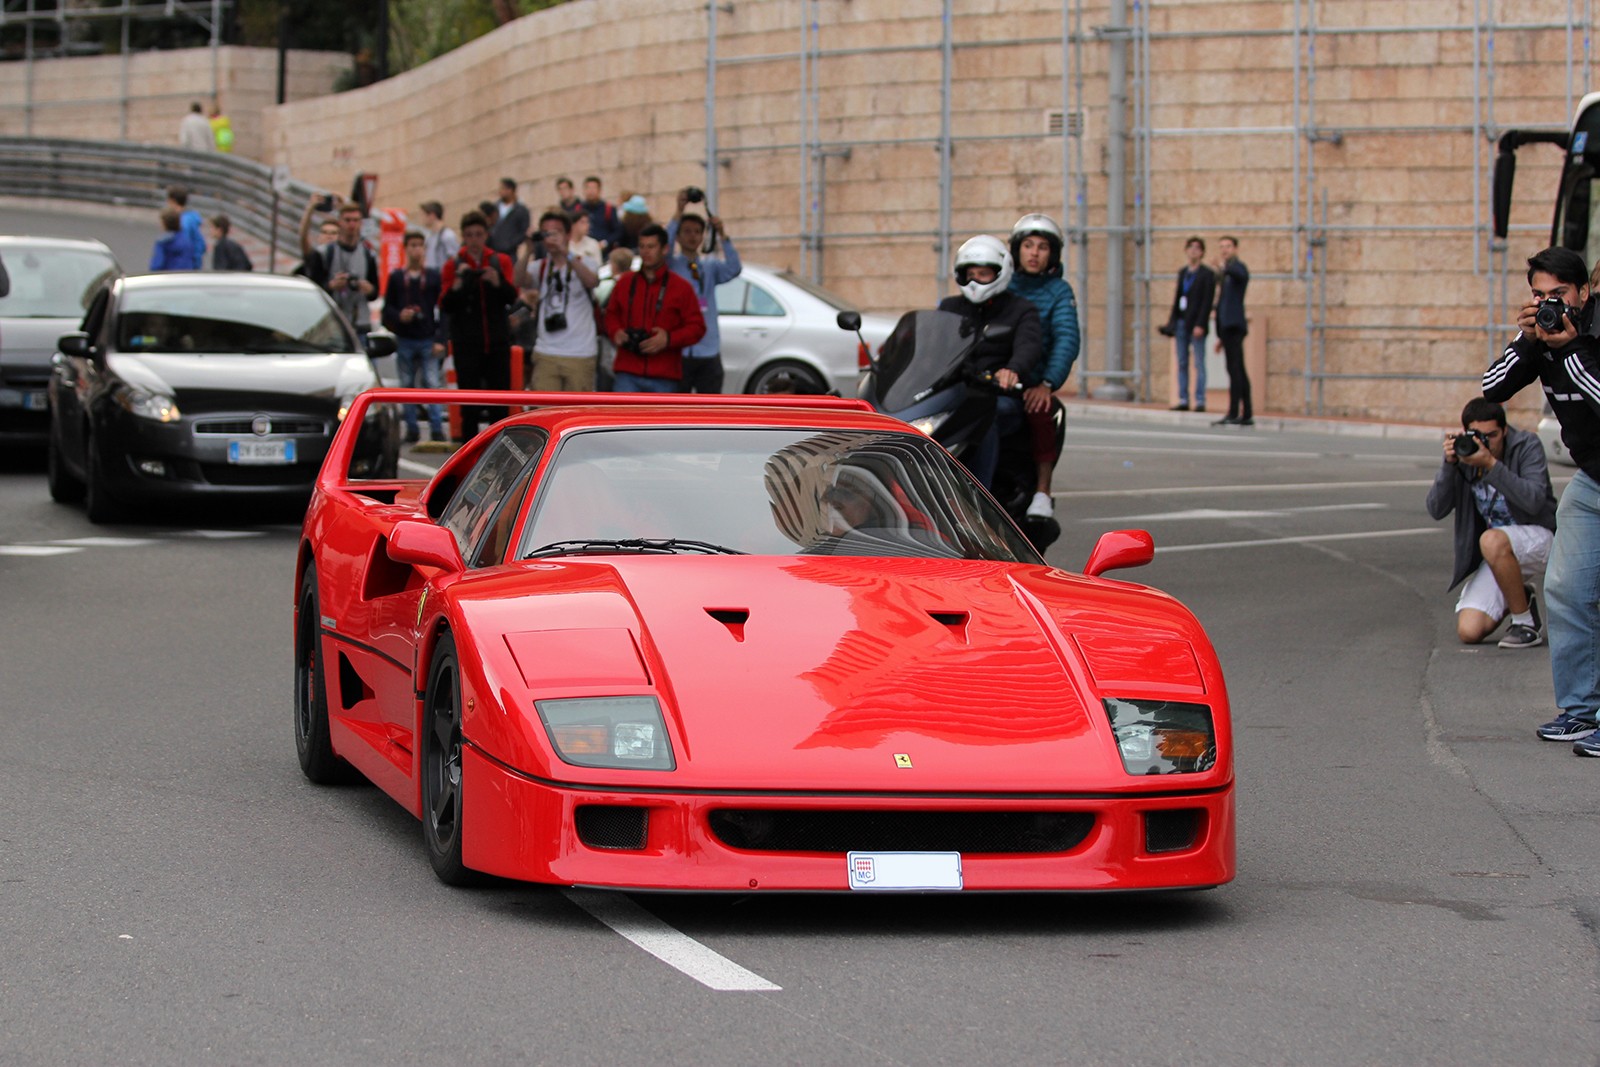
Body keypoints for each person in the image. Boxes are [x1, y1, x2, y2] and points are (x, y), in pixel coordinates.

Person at [1481, 246, 1600, 748]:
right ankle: (1580, 709)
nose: (1551, 304)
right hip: (1593, 481)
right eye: (1539, 295)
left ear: (1584, 293)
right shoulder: (1542, 335)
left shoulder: (1589, 334)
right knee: (1567, 589)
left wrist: (1570, 352)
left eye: (1560, 295)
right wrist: (1527, 341)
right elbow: (1490, 390)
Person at [1425, 397, 1557, 648]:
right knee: (1469, 630)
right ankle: (1519, 593)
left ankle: (1525, 623)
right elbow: (1436, 509)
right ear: (1466, 433)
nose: (1487, 442)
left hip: (1543, 538)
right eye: (1478, 435)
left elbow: (1534, 501)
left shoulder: (1526, 445)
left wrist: (1491, 465)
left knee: (1492, 538)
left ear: (1505, 430)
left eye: (1493, 435)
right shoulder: (1465, 457)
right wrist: (1449, 466)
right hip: (1500, 552)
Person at [936, 234, 1042, 489]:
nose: (975, 280)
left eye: (983, 273)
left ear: (1000, 272)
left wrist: (1012, 370)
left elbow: (1028, 346)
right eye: (970, 273)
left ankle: (979, 495)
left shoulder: (1021, 309)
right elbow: (932, 342)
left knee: (985, 418)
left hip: (999, 396)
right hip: (956, 393)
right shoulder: (950, 307)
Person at [1008, 213, 1080, 517]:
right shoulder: (1002, 284)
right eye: (1028, 245)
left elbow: (1066, 338)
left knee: (1042, 413)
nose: (1034, 253)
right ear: (1016, 250)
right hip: (997, 378)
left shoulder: (1059, 291)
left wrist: (1047, 383)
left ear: (1052, 254)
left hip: (1033, 382)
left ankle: (1042, 491)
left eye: (1042, 247)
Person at [440, 211, 517, 439]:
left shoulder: (499, 261)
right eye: (470, 235)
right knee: (469, 405)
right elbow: (445, 305)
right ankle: (469, 451)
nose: (474, 240)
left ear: (486, 235)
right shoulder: (453, 265)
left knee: (500, 404)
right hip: (467, 343)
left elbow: (512, 296)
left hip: (497, 342)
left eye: (479, 235)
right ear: (464, 236)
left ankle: (502, 452)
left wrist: (497, 282)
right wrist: (458, 283)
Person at [603, 223, 706, 393]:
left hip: (665, 374)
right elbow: (611, 314)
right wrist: (616, 331)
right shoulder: (625, 282)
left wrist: (668, 339)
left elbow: (697, 327)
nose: (645, 252)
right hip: (627, 371)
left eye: (651, 246)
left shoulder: (680, 287)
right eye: (642, 246)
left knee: (659, 421)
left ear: (665, 249)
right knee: (623, 419)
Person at [666, 191, 742, 393]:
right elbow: (664, 246)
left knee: (710, 406)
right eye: (687, 231)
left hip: (708, 348)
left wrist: (722, 235)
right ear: (679, 236)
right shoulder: (671, 265)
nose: (692, 236)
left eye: (697, 232)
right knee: (678, 408)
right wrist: (678, 211)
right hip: (681, 350)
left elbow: (734, 268)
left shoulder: (710, 267)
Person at [519, 210, 600, 392]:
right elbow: (517, 280)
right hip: (546, 352)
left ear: (568, 234)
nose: (550, 238)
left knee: (577, 416)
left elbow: (592, 281)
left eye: (556, 232)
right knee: (543, 413)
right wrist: (528, 250)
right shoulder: (540, 266)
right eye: (546, 233)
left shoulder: (584, 261)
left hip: (580, 353)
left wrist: (566, 253)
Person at [382, 231, 448, 444]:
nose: (416, 250)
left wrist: (441, 338)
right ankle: (411, 428)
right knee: (407, 385)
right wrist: (400, 316)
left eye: (420, 245)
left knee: (432, 383)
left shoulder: (432, 277)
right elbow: (387, 309)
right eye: (412, 245)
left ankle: (436, 428)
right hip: (406, 337)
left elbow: (443, 309)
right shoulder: (397, 278)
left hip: (428, 336)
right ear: (405, 248)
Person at [1166, 236, 1215, 412]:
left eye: (1197, 248)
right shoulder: (1183, 273)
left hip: (1196, 324)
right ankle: (1183, 398)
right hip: (1181, 322)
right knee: (1182, 361)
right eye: (1190, 247)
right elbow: (1177, 298)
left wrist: (1201, 323)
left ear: (1202, 252)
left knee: (1199, 362)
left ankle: (1200, 399)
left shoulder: (1207, 274)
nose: (1193, 251)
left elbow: (1207, 301)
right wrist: (1172, 321)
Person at [318, 204, 379, 336]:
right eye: (347, 220)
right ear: (340, 222)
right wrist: (332, 285)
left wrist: (368, 288)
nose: (352, 225)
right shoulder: (327, 253)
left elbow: (375, 292)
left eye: (356, 220)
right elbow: (316, 287)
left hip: (360, 323)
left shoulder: (368, 254)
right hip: (332, 323)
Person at [1210, 236, 1252, 425]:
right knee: (1236, 369)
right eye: (1222, 247)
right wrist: (1220, 336)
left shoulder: (1237, 268)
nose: (1224, 250)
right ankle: (1245, 413)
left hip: (1234, 325)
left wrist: (1223, 267)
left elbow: (1240, 275)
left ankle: (1236, 412)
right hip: (1227, 327)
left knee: (1236, 370)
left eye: (1228, 246)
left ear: (1235, 248)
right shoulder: (1226, 276)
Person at [488, 177, 529, 260]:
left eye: (502, 188)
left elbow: (523, 231)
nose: (500, 191)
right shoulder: (494, 208)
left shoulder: (521, 210)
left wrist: (510, 244)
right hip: (493, 253)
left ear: (510, 190)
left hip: (510, 255)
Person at [166, 186, 206, 266]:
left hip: (186, 266)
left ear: (173, 201)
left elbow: (183, 247)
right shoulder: (191, 218)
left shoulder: (183, 222)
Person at [581, 176, 621, 252]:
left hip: (604, 252)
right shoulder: (578, 209)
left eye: (593, 188)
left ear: (599, 190)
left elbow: (618, 231)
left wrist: (606, 242)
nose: (591, 191)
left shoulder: (608, 209)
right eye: (588, 188)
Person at [418, 201, 459, 272]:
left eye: (423, 215)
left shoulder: (448, 235)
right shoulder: (429, 237)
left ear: (432, 215)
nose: (422, 218)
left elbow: (455, 259)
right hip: (431, 277)